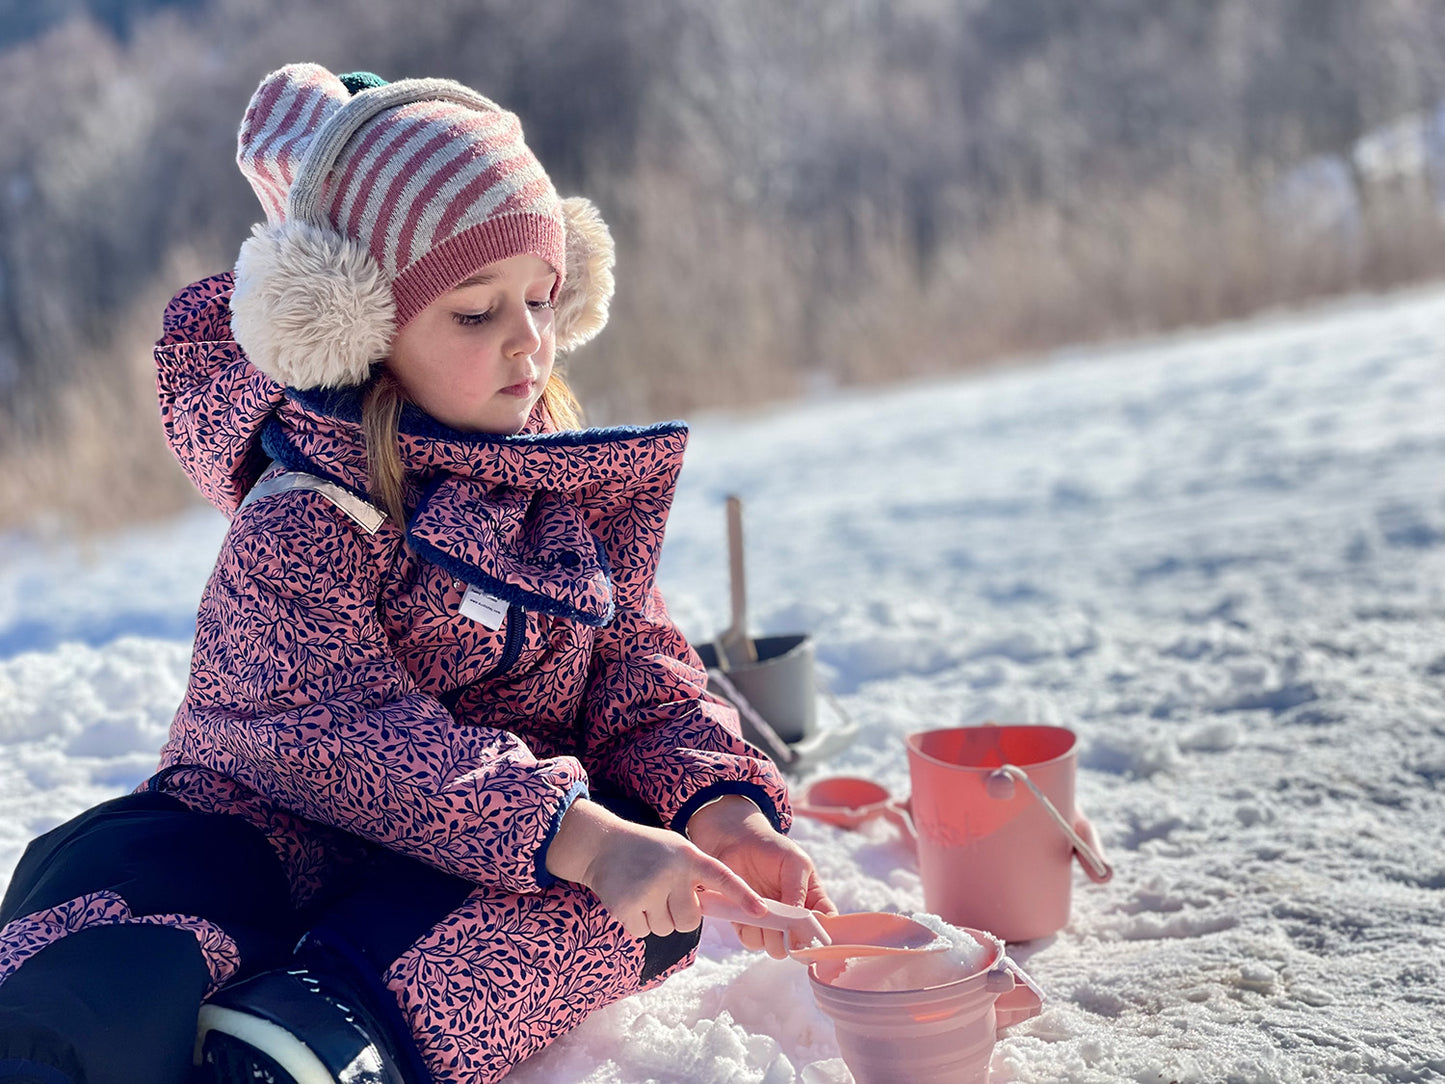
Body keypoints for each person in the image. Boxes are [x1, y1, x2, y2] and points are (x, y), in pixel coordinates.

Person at [0, 63, 832, 1084]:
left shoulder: (552, 490)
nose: (528, 340)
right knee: (151, 907)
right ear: (361, 331)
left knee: (647, 893)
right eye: (475, 314)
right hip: (269, 820)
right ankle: (68, 1019)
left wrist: (723, 812)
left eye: (540, 297)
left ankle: (311, 1033)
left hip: (472, 859)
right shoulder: (305, 512)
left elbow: (641, 673)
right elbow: (338, 731)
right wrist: (574, 832)